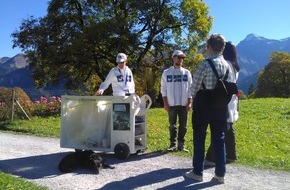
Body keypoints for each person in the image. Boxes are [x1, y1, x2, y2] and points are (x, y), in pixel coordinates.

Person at [185, 34, 235, 183]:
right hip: (220, 105)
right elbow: (230, 85)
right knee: (219, 138)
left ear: (210, 47)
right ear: (223, 48)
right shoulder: (227, 65)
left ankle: (197, 172)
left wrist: (191, 98)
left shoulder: (205, 64)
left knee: (199, 138)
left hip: (203, 104)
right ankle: (220, 175)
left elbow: (194, 88)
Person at [204, 42, 240, 166]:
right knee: (228, 126)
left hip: (223, 98)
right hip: (232, 99)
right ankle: (231, 154)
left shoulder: (226, 65)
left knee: (220, 128)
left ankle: (211, 158)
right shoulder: (235, 66)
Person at [160, 50, 192, 152]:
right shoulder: (167, 73)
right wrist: (165, 102)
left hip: (183, 103)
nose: (180, 59)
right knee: (172, 125)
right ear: (173, 58)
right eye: (178, 57)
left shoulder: (187, 73)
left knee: (184, 126)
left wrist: (190, 101)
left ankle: (181, 145)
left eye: (182, 58)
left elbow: (190, 88)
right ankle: (172, 144)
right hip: (171, 103)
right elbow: (163, 88)